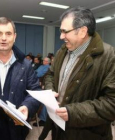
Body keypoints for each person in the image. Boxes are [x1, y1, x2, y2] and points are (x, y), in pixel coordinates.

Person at [39, 6, 115, 140]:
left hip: (88, 134)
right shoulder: (62, 51)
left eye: (65, 31)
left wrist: (72, 113)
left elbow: (111, 104)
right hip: (59, 130)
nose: (61, 36)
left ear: (82, 31)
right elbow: (51, 75)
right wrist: (50, 90)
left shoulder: (109, 57)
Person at [0, 17, 41, 140]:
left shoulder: (25, 65)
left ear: (14, 36)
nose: (4, 38)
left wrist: (27, 107)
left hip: (15, 130)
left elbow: (35, 91)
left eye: (8, 33)